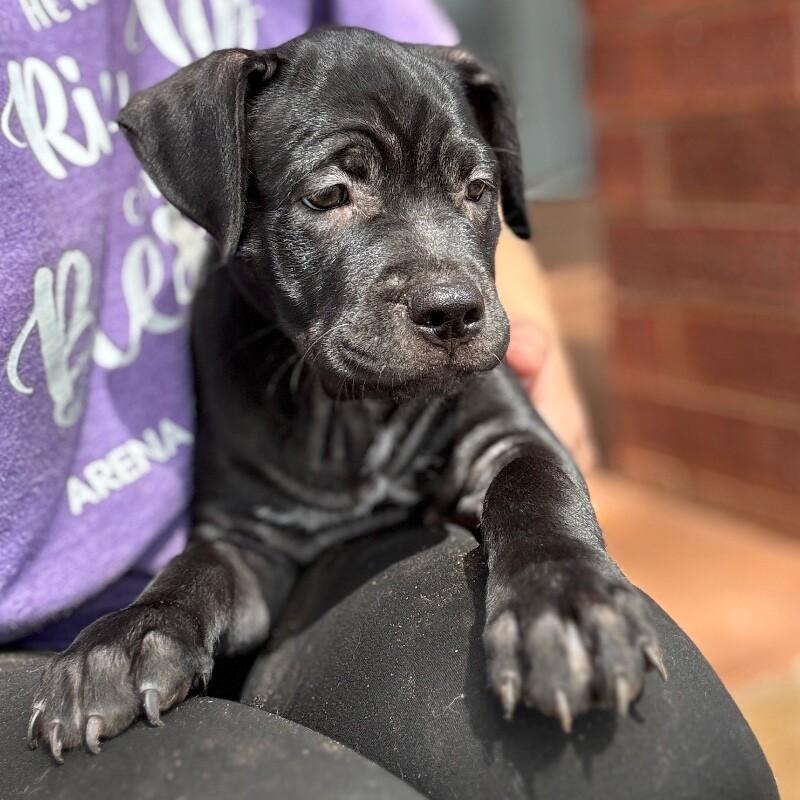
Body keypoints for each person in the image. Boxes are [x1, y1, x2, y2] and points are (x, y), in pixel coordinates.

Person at [0, 2, 776, 799]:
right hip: (44, 625)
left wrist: (550, 557)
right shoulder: (236, 338)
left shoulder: (430, 94)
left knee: (662, 761)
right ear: (223, 194)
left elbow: (513, 448)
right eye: (336, 194)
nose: (444, 279)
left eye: (470, 190)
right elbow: (245, 545)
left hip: (375, 568)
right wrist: (172, 611)